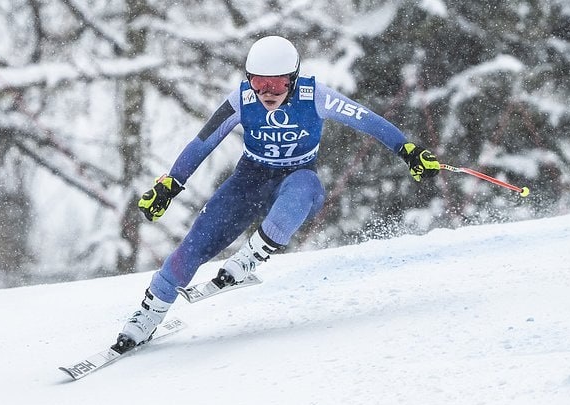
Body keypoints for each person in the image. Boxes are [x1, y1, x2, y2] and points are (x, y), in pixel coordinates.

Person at [113, 36, 440, 352]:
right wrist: (171, 184)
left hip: (295, 181)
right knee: (192, 248)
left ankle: (252, 256)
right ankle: (149, 313)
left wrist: (407, 151)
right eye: (259, 83)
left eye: (278, 84)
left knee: (305, 187)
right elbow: (204, 141)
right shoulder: (242, 99)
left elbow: (366, 120)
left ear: (293, 80)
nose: (267, 92)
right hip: (248, 182)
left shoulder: (315, 96)